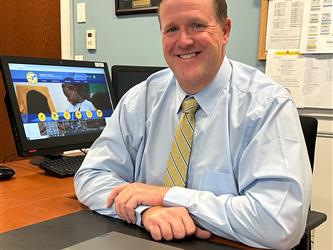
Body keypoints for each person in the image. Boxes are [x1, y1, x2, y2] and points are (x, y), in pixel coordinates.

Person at [74, 0, 312, 248]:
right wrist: (146, 211)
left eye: (197, 25)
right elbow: (91, 176)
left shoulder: (267, 105)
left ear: (225, 31)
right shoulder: (140, 99)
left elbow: (279, 223)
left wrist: (166, 196)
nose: (184, 41)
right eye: (171, 29)